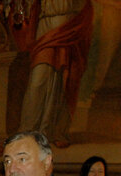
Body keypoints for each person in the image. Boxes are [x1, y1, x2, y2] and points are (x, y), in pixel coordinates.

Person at [16, 0, 93, 147]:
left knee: (59, 81)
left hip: (65, 26)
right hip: (45, 27)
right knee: (38, 80)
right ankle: (27, 130)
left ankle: (47, 130)